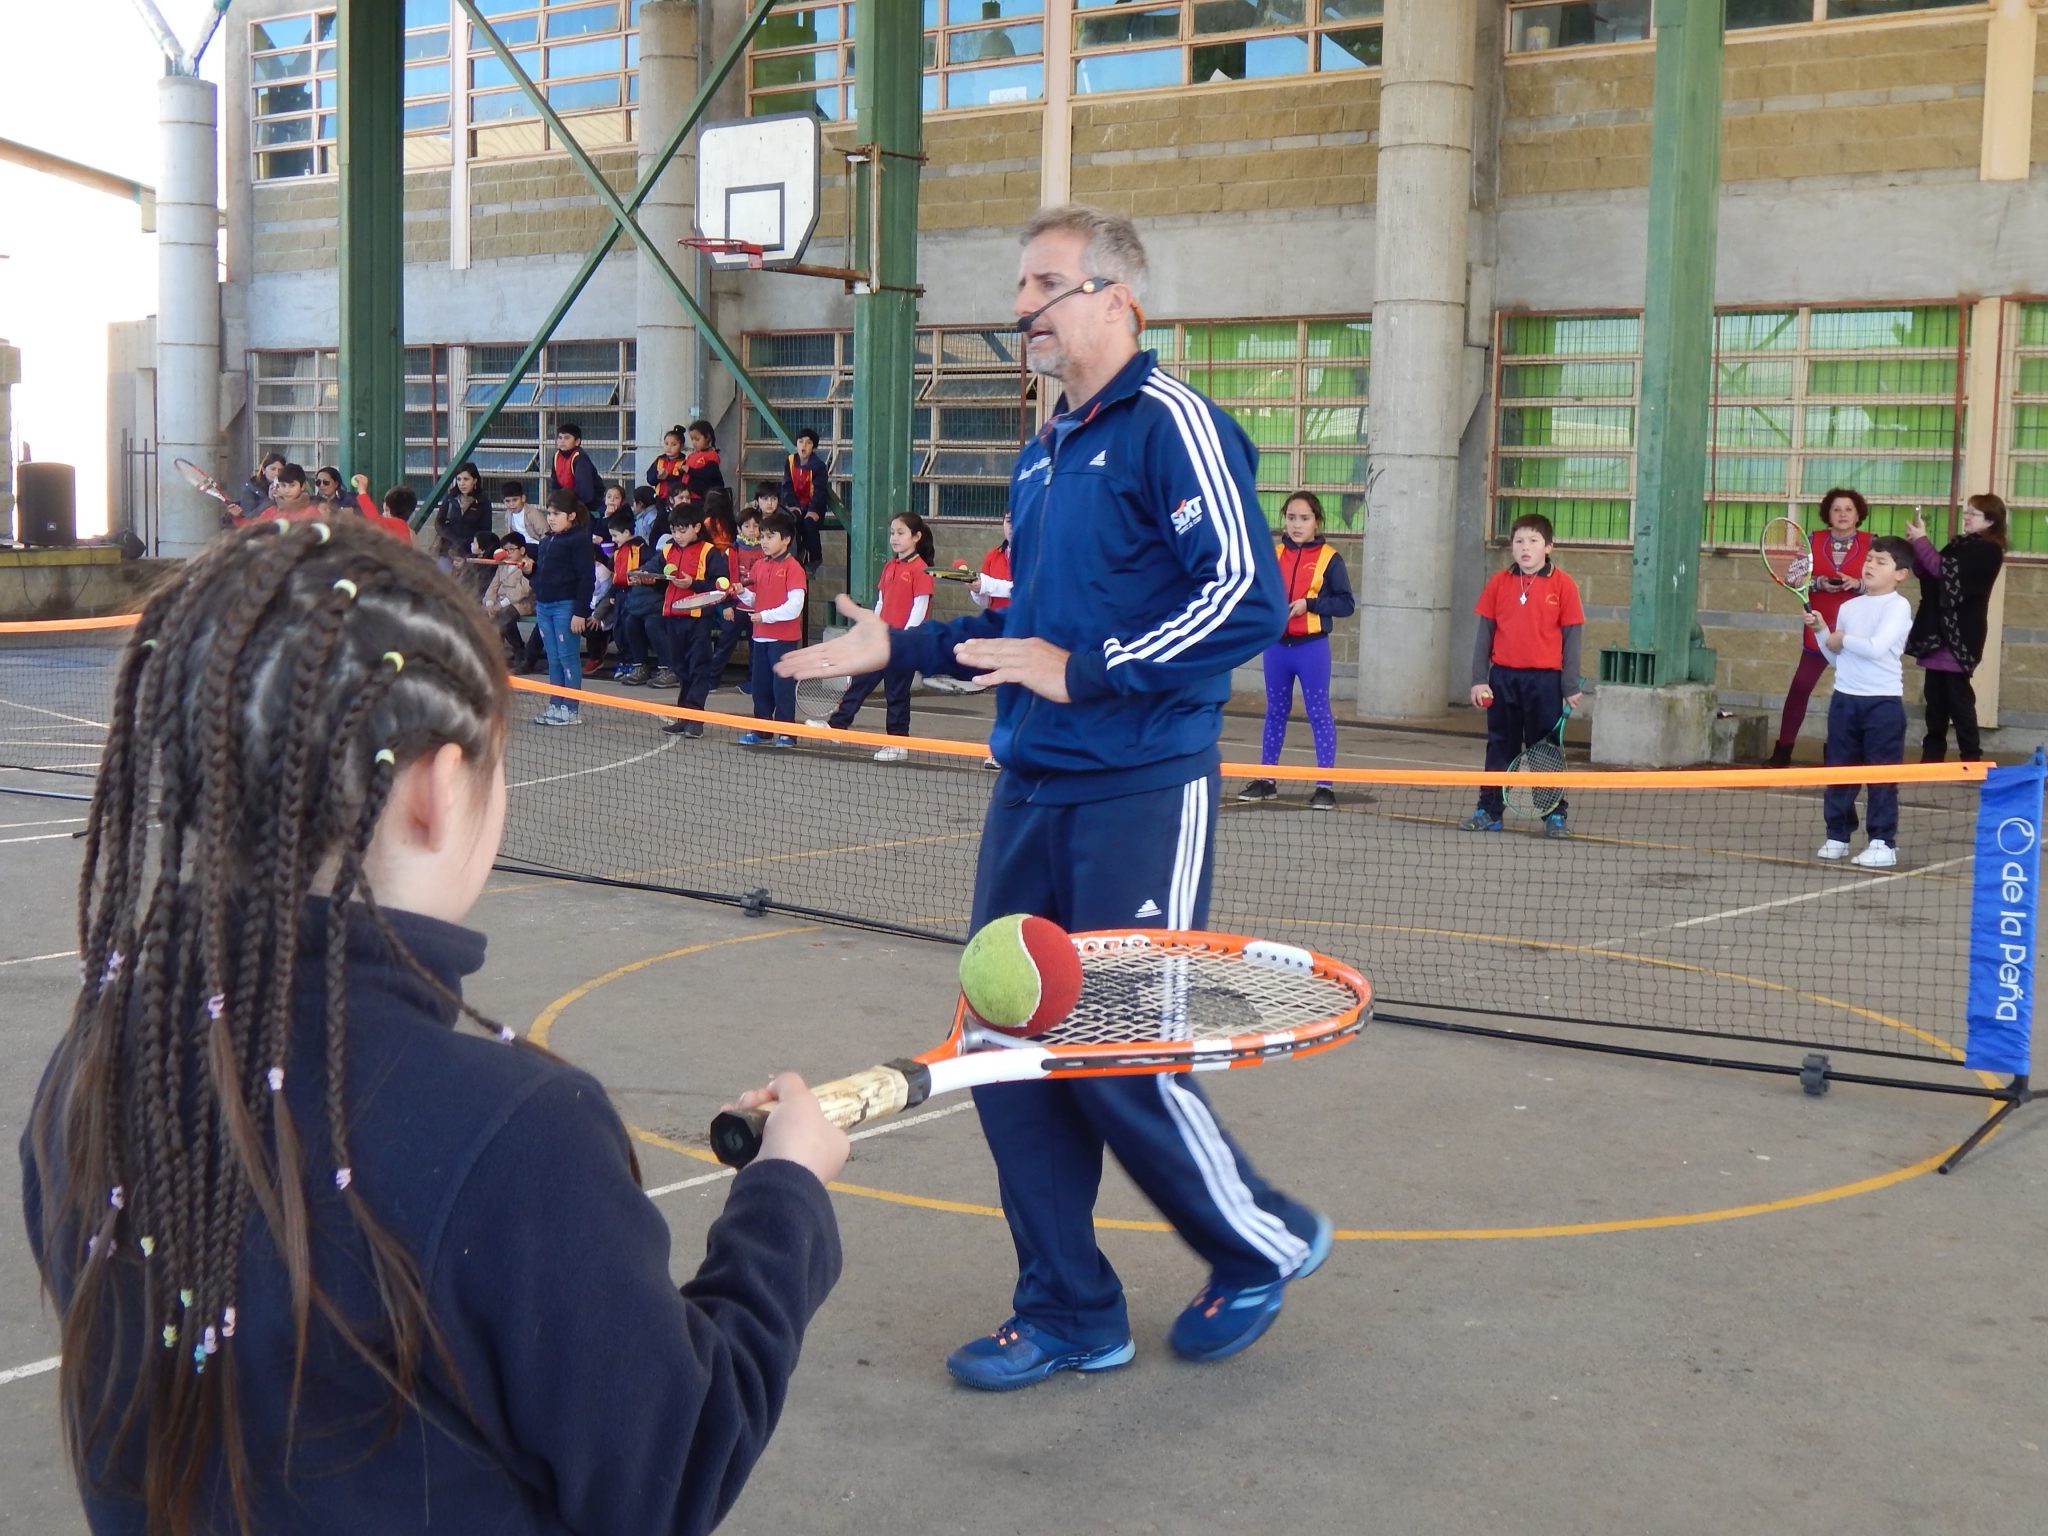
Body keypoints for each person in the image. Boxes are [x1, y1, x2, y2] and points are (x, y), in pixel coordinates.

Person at [19, 519, 847, 1536]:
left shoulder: (93, 1065)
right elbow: (668, 1470)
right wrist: (785, 1199)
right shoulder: (516, 1133)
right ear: (434, 790)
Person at [779, 203, 1324, 1389]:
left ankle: (1260, 1243)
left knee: (1116, 1052)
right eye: (1018, 286)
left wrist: (1089, 672)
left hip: (1140, 785)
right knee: (1000, 1047)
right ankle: (1069, 1309)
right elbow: (1023, 632)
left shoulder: (1173, 427)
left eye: (1043, 285)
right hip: (1029, 788)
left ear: (1115, 298)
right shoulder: (1044, 452)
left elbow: (1242, 599)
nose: (1021, 308)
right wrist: (900, 652)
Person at [1460, 512, 1585, 838]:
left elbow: (1573, 639)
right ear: (1511, 547)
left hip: (1545, 682)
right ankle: (1489, 810)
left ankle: (1554, 815)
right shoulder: (1499, 583)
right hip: (1503, 679)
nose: (1525, 548)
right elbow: (1484, 634)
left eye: (1533, 541)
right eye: (1518, 541)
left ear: (1549, 546)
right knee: (1500, 746)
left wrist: (1569, 684)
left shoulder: (1564, 585)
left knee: (1546, 750)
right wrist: (1478, 679)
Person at [1237, 491, 1354, 811]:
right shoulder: (1272, 555)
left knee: (1318, 713)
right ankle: (1267, 779)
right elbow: (1256, 591)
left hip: (1311, 648)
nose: (1297, 524)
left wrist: (1310, 604)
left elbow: (1346, 604)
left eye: (1304, 518)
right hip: (1276, 648)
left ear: (1317, 521)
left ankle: (1325, 785)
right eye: (1291, 518)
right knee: (1275, 711)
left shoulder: (1331, 559)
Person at [1805, 534, 1915, 867]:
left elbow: (1876, 647)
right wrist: (1823, 631)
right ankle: (1837, 836)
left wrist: (1843, 638)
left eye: (1881, 562)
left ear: (1901, 574)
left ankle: (1883, 842)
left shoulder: (1898, 606)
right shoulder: (1849, 607)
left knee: (1881, 776)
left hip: (1882, 704)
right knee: (1839, 772)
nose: (1871, 565)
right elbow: (1838, 658)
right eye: (1869, 559)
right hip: (1845, 702)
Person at [1768, 487, 1871, 768]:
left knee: (1852, 695)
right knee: (1800, 688)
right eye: (1837, 509)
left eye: (1849, 509)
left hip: (1855, 632)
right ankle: (1783, 751)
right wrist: (1818, 583)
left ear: (1858, 513)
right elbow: (1792, 577)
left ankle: (1839, 755)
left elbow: (1882, 583)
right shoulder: (1812, 540)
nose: (1842, 514)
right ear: (1828, 513)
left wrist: (1858, 584)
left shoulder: (1872, 543)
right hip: (1817, 627)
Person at [821, 512, 935, 762]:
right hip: (881, 641)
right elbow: (881, 603)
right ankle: (837, 726)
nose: (894, 538)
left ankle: (897, 743)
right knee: (860, 682)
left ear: (916, 537)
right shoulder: (890, 566)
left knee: (896, 694)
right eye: (892, 532)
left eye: (901, 533)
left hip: (903, 645)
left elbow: (919, 608)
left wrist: (903, 638)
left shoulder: (921, 569)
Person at [1904, 494, 2009, 763]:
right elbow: (1929, 572)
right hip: (1937, 633)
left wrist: (1922, 541)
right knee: (1934, 700)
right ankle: (1932, 756)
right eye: (1967, 512)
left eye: (1973, 513)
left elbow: (1945, 572)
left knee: (1958, 699)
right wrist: (1916, 550)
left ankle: (1971, 757)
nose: (1966, 517)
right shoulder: (1960, 545)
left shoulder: (1988, 551)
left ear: (1990, 520)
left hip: (1959, 635)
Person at [734, 510, 806, 747]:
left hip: (783, 640)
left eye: (770, 536)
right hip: (761, 637)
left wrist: (765, 616)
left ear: (786, 540)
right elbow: (757, 600)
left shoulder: (794, 568)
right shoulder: (759, 566)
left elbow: (794, 607)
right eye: (762, 536)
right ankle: (763, 730)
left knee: (782, 688)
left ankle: (786, 733)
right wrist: (742, 593)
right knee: (760, 687)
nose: (763, 541)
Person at [531, 489, 594, 725]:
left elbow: (587, 579)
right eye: (549, 513)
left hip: (565, 607)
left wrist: (580, 612)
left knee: (568, 658)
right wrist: (530, 571)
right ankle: (555, 704)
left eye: (556, 514)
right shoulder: (547, 540)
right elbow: (541, 574)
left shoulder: (579, 541)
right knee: (553, 658)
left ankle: (571, 709)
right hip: (544, 606)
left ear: (571, 515)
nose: (551, 518)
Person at [607, 508, 667, 686]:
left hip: (650, 600)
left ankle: (666, 667)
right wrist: (613, 593)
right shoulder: (618, 552)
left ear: (627, 532)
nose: (613, 540)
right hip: (627, 598)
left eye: (615, 535)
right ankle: (637, 664)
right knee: (626, 625)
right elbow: (616, 574)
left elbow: (657, 579)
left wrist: (643, 578)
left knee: (650, 624)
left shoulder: (644, 550)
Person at [780, 427, 832, 570]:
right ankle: (797, 554)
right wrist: (791, 504)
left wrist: (813, 509)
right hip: (796, 504)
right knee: (792, 522)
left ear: (813, 447)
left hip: (813, 506)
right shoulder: (790, 461)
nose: (804, 445)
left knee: (809, 524)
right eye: (801, 441)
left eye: (808, 443)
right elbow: (787, 484)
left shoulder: (818, 466)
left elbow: (820, 490)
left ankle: (816, 557)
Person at [483, 527, 535, 662]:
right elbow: (493, 585)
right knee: (482, 615)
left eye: (512, 549)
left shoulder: (528, 564)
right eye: (505, 550)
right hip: (500, 601)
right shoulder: (503, 565)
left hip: (520, 603)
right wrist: (489, 602)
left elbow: (523, 591)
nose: (508, 553)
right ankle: (494, 652)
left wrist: (500, 604)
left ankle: (518, 649)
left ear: (522, 550)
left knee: (504, 619)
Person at [434, 463, 492, 571]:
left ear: (474, 480)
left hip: (470, 553)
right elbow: (439, 523)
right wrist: (454, 540)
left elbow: (486, 530)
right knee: (442, 582)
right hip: (447, 549)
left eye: (466, 479)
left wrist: (468, 544)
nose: (462, 483)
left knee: (465, 584)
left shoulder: (483, 502)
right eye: (459, 479)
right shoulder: (450, 498)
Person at [348, 474, 418, 545]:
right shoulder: (408, 531)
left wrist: (362, 491)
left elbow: (372, 516)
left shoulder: (390, 524)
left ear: (386, 508)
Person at [551, 423, 605, 511]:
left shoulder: (580, 458)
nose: (562, 441)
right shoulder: (556, 456)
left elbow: (585, 493)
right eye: (560, 438)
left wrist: (569, 508)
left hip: (590, 506)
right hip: (569, 502)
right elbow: (555, 485)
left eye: (567, 438)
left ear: (577, 441)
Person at [971, 509, 1014, 613]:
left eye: (1018, 520)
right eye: (1009, 521)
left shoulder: (1038, 558)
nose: (1013, 526)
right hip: (997, 626)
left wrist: (986, 585)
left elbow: (1024, 590)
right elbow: (986, 602)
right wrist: (976, 590)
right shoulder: (992, 556)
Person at [683, 419, 726, 503]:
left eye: (697, 439)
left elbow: (709, 473)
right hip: (687, 496)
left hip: (700, 497)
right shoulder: (691, 456)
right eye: (692, 439)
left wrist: (690, 470)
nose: (694, 443)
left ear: (707, 437)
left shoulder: (711, 455)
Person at [234, 452, 285, 519]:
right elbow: (248, 517)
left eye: (280, 470)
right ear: (263, 470)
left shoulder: (287, 486)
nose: (277, 473)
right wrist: (270, 500)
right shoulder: (251, 488)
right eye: (273, 469)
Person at [647, 425, 690, 503]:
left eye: (674, 445)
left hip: (676, 500)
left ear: (681, 446)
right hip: (659, 499)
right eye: (666, 444)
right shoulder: (659, 460)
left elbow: (683, 483)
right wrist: (657, 475)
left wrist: (668, 477)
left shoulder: (684, 463)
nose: (669, 447)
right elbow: (650, 479)